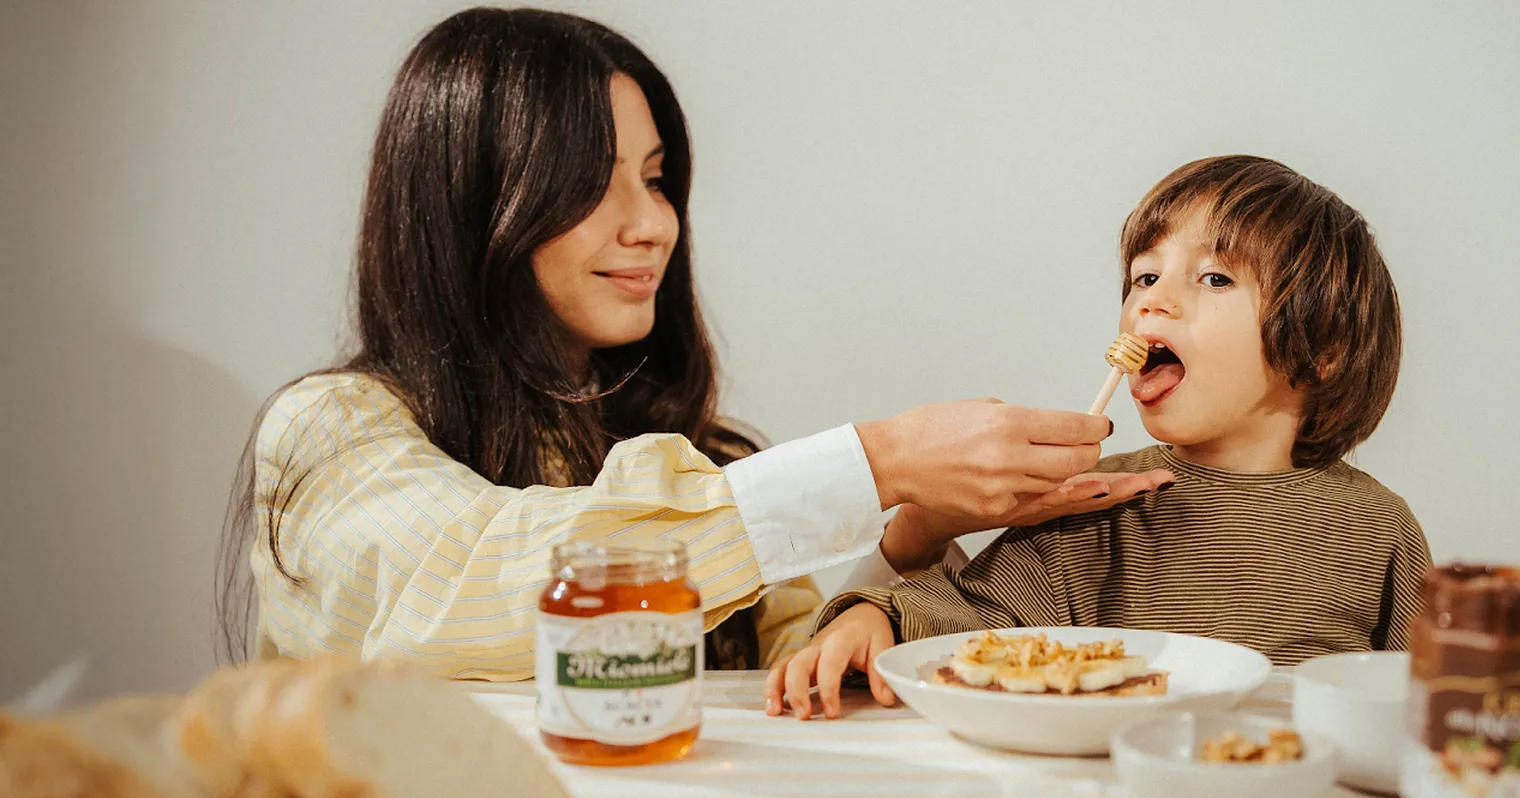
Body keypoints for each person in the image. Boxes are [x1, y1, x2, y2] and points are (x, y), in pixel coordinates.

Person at [214, 7, 1171, 680]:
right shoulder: (332, 434)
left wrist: (917, 529)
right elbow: (469, 585)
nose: (654, 226)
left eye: (658, 178)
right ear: (472, 204)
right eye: (595, 180)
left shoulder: (707, 465)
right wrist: (874, 462)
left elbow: (791, 683)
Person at [768, 155, 1432, 719]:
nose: (1152, 300)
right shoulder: (1098, 504)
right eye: (1146, 276)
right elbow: (967, 621)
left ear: (1325, 350)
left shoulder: (1380, 529)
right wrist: (875, 619)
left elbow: (1425, 702)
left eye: (1214, 277)